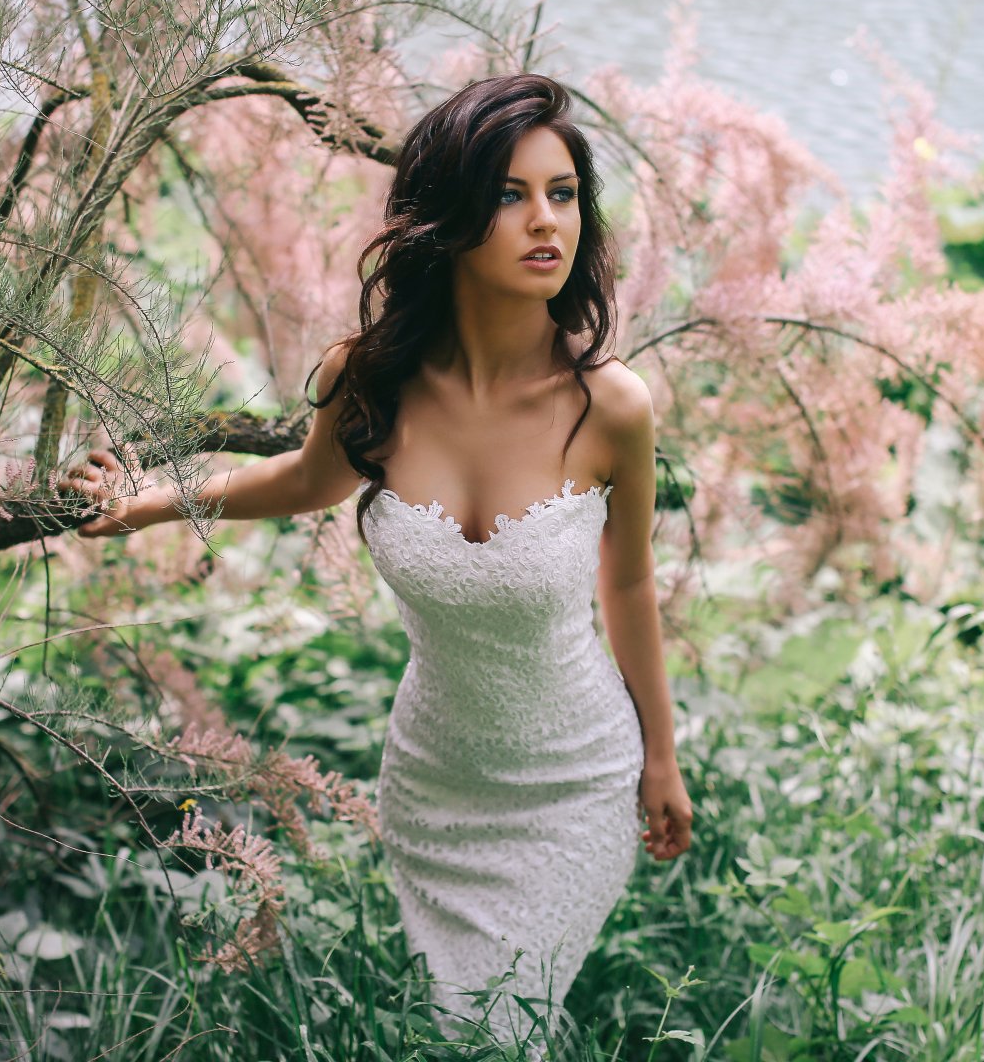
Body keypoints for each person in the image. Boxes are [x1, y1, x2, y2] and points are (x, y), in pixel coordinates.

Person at [57, 73, 692, 1055]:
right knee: (460, 1028)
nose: (544, 222)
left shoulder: (612, 406)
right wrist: (146, 504)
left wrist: (661, 753)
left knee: (498, 1031)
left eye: (563, 193)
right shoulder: (372, 377)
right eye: (509, 193)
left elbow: (631, 583)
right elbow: (305, 481)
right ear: (446, 216)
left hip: (578, 785)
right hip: (435, 787)